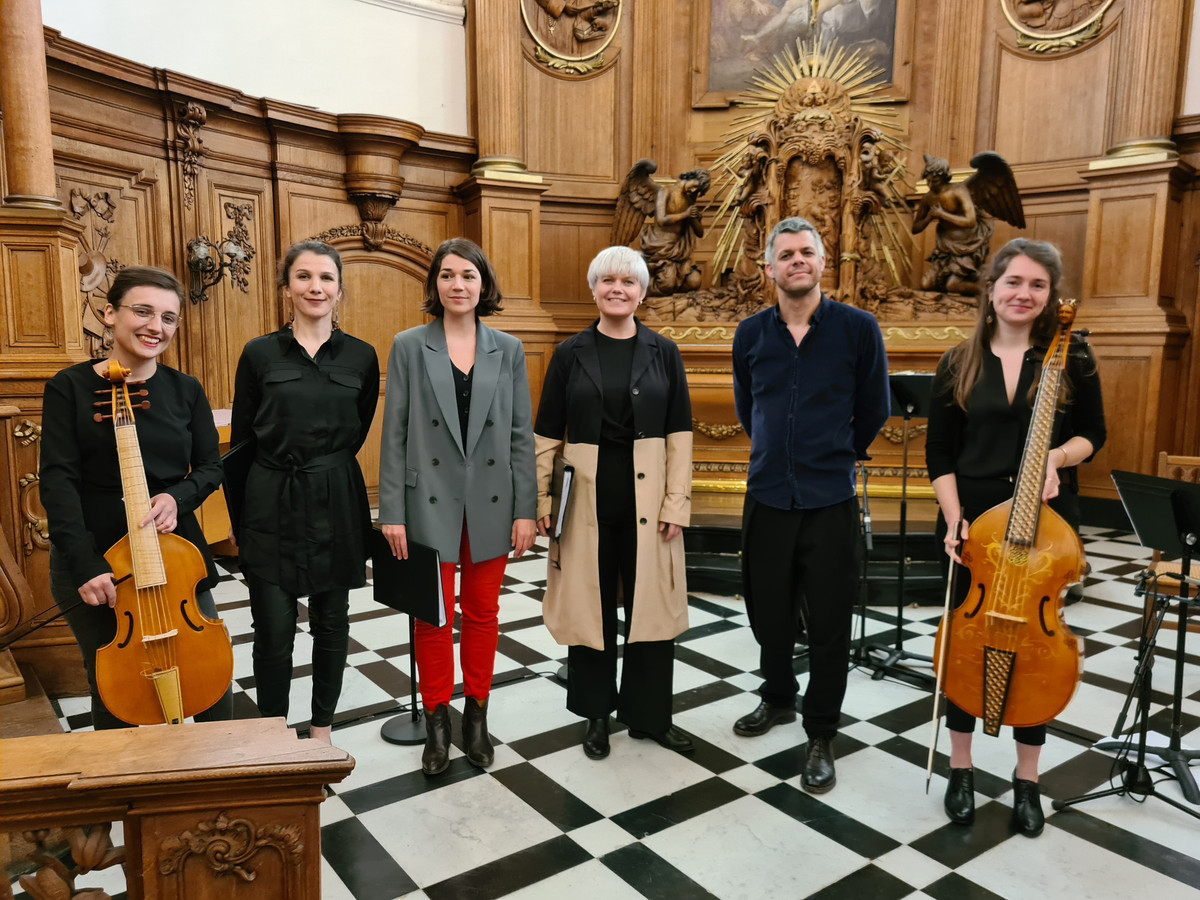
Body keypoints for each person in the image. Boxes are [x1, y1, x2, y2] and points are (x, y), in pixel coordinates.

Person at [925, 237, 1105, 837]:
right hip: (975, 522)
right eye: (1014, 282)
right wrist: (954, 519)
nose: (1023, 294)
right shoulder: (958, 360)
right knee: (966, 643)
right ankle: (961, 767)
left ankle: (1027, 779)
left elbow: (1094, 435)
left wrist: (1056, 454)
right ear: (992, 289)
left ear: (1050, 296)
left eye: (1037, 285)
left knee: (1032, 648)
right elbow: (940, 453)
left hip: (1045, 524)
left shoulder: (1070, 357)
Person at [731, 217, 890, 793]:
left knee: (828, 623)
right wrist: (776, 451)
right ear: (768, 267)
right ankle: (777, 698)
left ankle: (821, 730)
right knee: (767, 613)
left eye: (807, 253)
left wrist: (838, 451)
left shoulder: (857, 328)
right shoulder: (750, 335)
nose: (797, 261)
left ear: (823, 263)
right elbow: (748, 408)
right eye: (786, 254)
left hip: (830, 499)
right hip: (768, 495)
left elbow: (875, 405)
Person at [40, 266, 233, 729]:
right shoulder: (68, 387)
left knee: (209, 677)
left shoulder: (185, 390)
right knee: (115, 686)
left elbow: (210, 467)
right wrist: (85, 565)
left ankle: (216, 784)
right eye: (143, 311)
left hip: (176, 557)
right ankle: (128, 793)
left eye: (168, 318)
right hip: (97, 559)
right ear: (109, 313)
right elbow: (58, 483)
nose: (156, 327)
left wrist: (177, 499)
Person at [378, 238, 537, 776]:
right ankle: (438, 726)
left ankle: (478, 718)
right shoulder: (407, 345)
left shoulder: (509, 349)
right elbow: (394, 432)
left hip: (493, 505)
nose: (458, 285)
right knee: (432, 616)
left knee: (484, 614)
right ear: (435, 285)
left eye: (468, 275)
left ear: (483, 284)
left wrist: (524, 509)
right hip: (428, 504)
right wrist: (391, 512)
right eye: (447, 275)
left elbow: (520, 435)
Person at [534, 246, 694, 760]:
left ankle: (649, 715)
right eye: (607, 280)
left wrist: (676, 503)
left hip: (650, 503)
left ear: (642, 292)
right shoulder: (568, 353)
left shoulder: (663, 351)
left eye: (628, 281)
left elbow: (680, 433)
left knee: (652, 610)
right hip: (585, 504)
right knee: (590, 608)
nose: (617, 289)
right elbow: (545, 433)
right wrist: (540, 496)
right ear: (594, 289)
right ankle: (596, 715)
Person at [231, 241, 379, 744]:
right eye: (303, 277)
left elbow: (358, 430)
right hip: (269, 497)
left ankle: (321, 729)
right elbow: (244, 438)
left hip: (335, 496)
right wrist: (241, 524)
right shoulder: (258, 353)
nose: (315, 287)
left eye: (326, 278)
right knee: (272, 629)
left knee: (331, 623)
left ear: (339, 289)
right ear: (287, 287)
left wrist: (323, 465)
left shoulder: (362, 355)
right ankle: (272, 732)